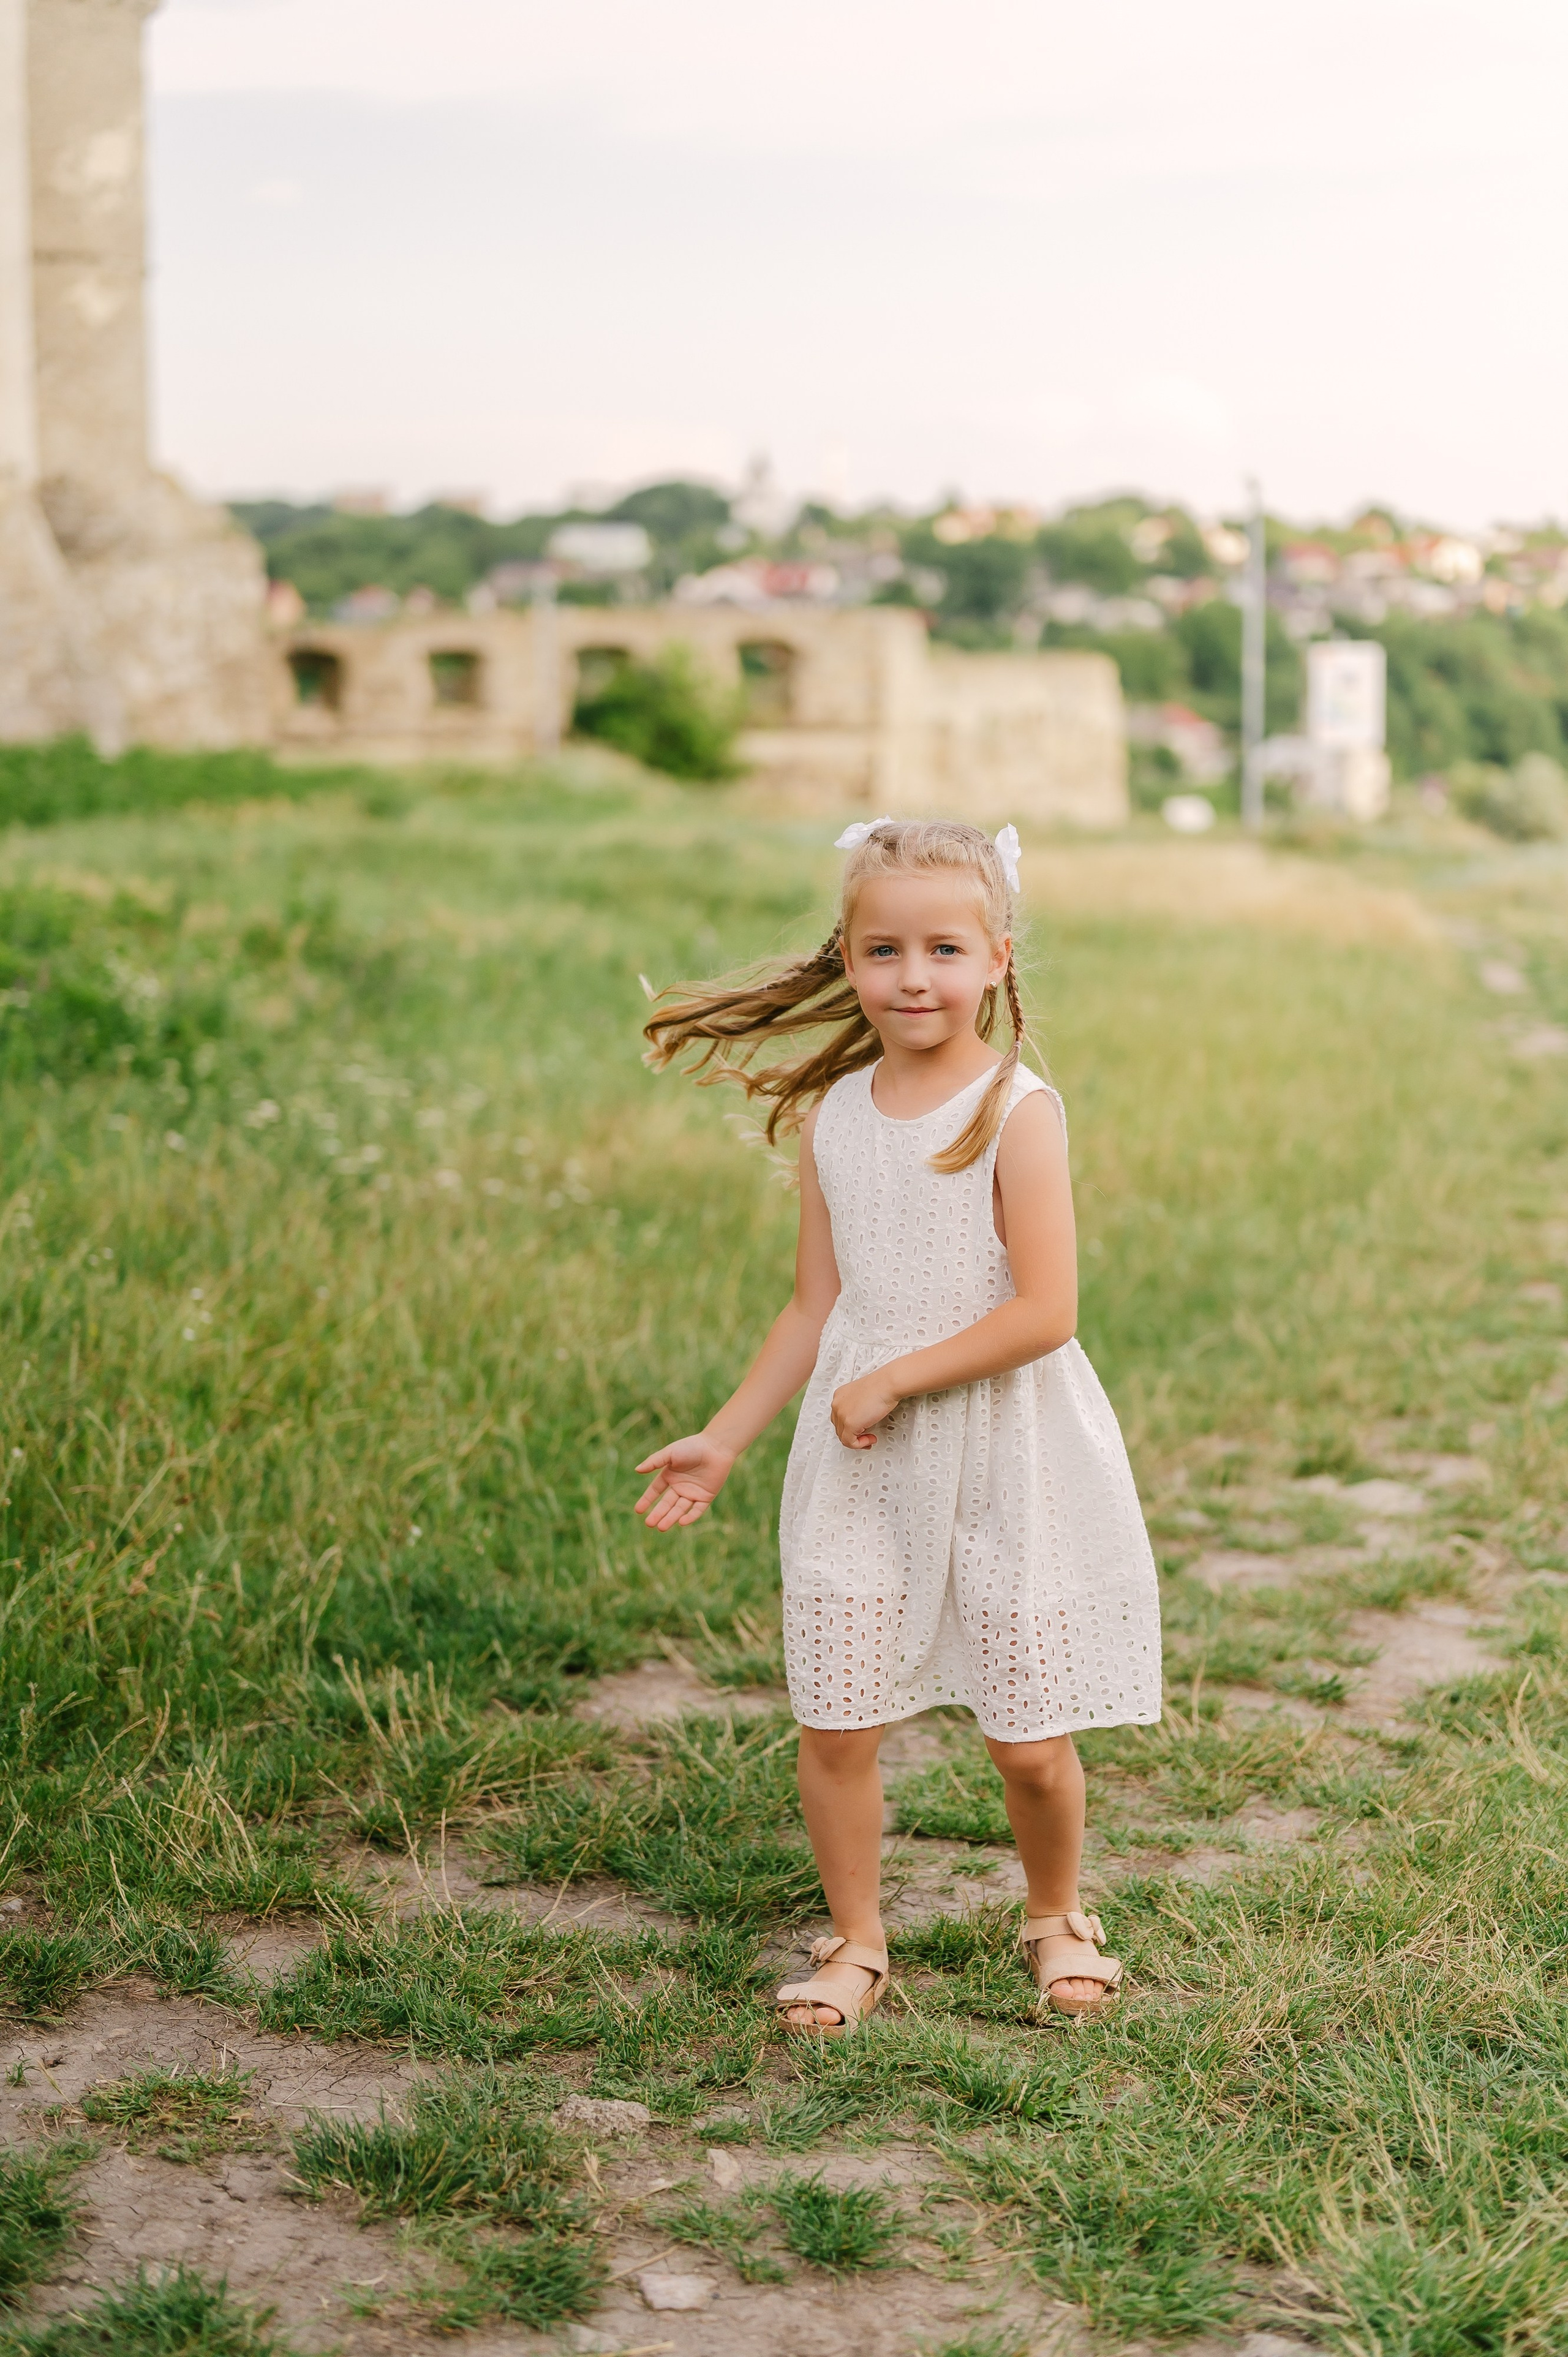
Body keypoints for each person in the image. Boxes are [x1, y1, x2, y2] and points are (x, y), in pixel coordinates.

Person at [633, 818, 1160, 2030]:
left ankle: (1054, 1912)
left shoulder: (1015, 1109)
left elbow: (1047, 1309)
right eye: (882, 949)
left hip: (1001, 1445)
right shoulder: (836, 1116)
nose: (911, 975)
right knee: (837, 1713)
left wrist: (897, 1377)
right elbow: (817, 1303)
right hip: (859, 1461)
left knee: (1026, 1738)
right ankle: (855, 1939)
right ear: (846, 958)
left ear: (995, 958)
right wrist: (724, 1433)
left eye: (941, 948)